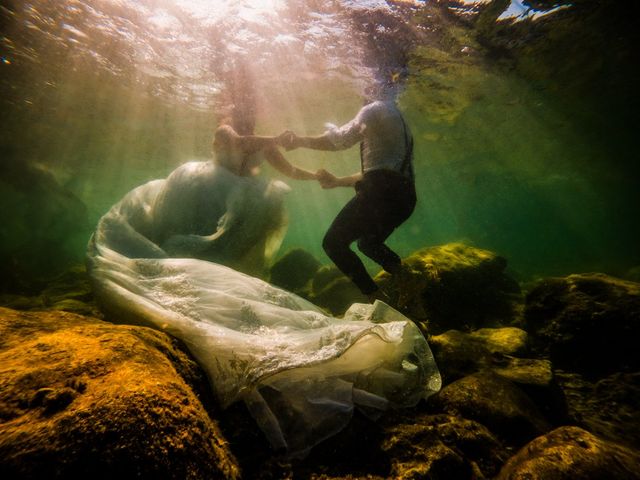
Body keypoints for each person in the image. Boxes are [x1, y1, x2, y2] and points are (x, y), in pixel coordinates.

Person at [278, 83, 416, 302]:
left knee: (333, 243)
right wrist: (337, 181)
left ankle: (379, 301)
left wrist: (299, 141)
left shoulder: (372, 109)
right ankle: (409, 282)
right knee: (368, 244)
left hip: (380, 196)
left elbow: (338, 141)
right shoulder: (399, 120)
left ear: (370, 91)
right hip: (404, 198)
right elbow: (381, 171)